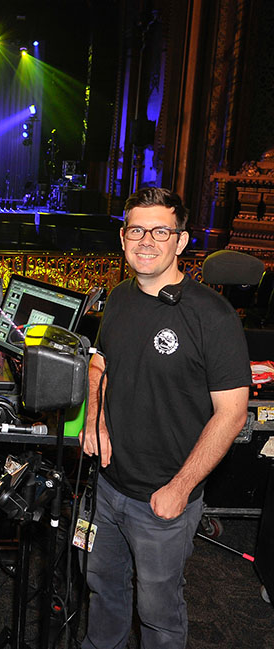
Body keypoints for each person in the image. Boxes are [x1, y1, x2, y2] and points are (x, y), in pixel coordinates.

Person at [80, 187, 250, 649]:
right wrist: (95, 417)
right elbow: (99, 363)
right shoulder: (117, 297)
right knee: (103, 591)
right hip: (109, 488)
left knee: (158, 614)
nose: (147, 240)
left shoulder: (211, 316)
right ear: (122, 238)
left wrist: (179, 488)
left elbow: (232, 414)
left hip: (163, 501)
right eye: (137, 229)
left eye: (160, 230)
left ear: (181, 240)